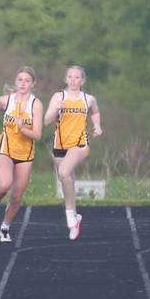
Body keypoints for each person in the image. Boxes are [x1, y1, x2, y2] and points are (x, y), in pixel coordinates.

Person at [0, 67, 44, 242]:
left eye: (27, 81)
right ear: (16, 82)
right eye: (20, 80)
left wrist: (22, 128)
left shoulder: (35, 104)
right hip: (5, 146)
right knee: (5, 183)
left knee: (16, 197)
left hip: (25, 152)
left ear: (33, 84)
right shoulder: (6, 100)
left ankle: (5, 228)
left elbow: (37, 135)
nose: (23, 83)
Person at [43, 65, 102, 241]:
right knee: (66, 179)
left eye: (77, 77)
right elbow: (46, 121)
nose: (73, 80)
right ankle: (75, 217)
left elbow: (95, 112)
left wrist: (97, 126)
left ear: (82, 81)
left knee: (63, 172)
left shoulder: (88, 99)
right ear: (65, 79)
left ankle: (69, 214)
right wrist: (56, 109)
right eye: (70, 77)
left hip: (79, 144)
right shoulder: (58, 97)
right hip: (59, 144)